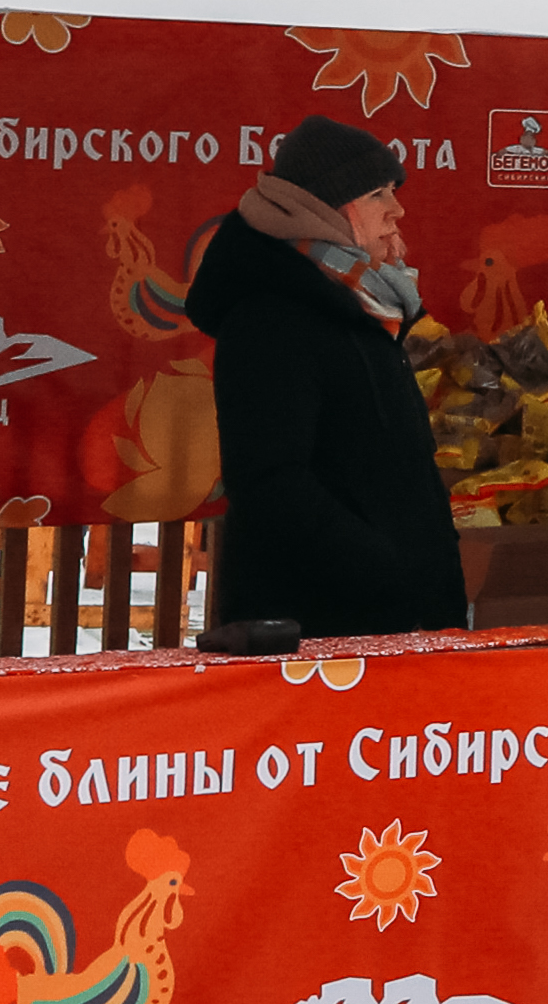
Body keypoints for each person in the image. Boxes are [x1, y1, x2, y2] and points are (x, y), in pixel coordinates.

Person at [195, 118, 455, 650]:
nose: (397, 209)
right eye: (379, 193)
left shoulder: (354, 306)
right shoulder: (271, 318)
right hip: (320, 636)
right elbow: (271, 483)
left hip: (385, 627)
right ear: (330, 206)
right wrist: (389, 571)